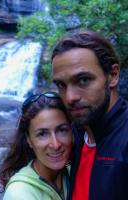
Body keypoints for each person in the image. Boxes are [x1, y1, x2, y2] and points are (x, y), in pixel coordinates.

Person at [51, 29, 128, 200]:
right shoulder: (71, 135)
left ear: (113, 76)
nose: (70, 97)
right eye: (61, 85)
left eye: (83, 80)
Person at [0, 91, 73, 200]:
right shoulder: (19, 194)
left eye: (62, 130)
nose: (55, 144)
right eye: (42, 134)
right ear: (28, 140)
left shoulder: (73, 170)